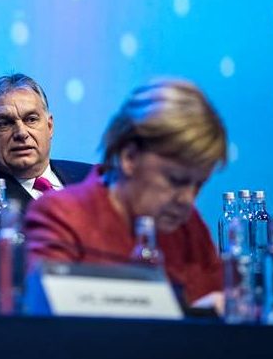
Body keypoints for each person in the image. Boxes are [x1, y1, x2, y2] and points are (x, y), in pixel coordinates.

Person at [23, 79, 228, 306]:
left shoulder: (189, 226)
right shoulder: (60, 215)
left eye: (198, 185)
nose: (188, 200)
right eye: (175, 180)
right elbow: (54, 319)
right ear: (129, 157)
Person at [0, 74, 91, 251]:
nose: (21, 133)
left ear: (49, 126)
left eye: (31, 119)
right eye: (4, 124)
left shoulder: (95, 178)